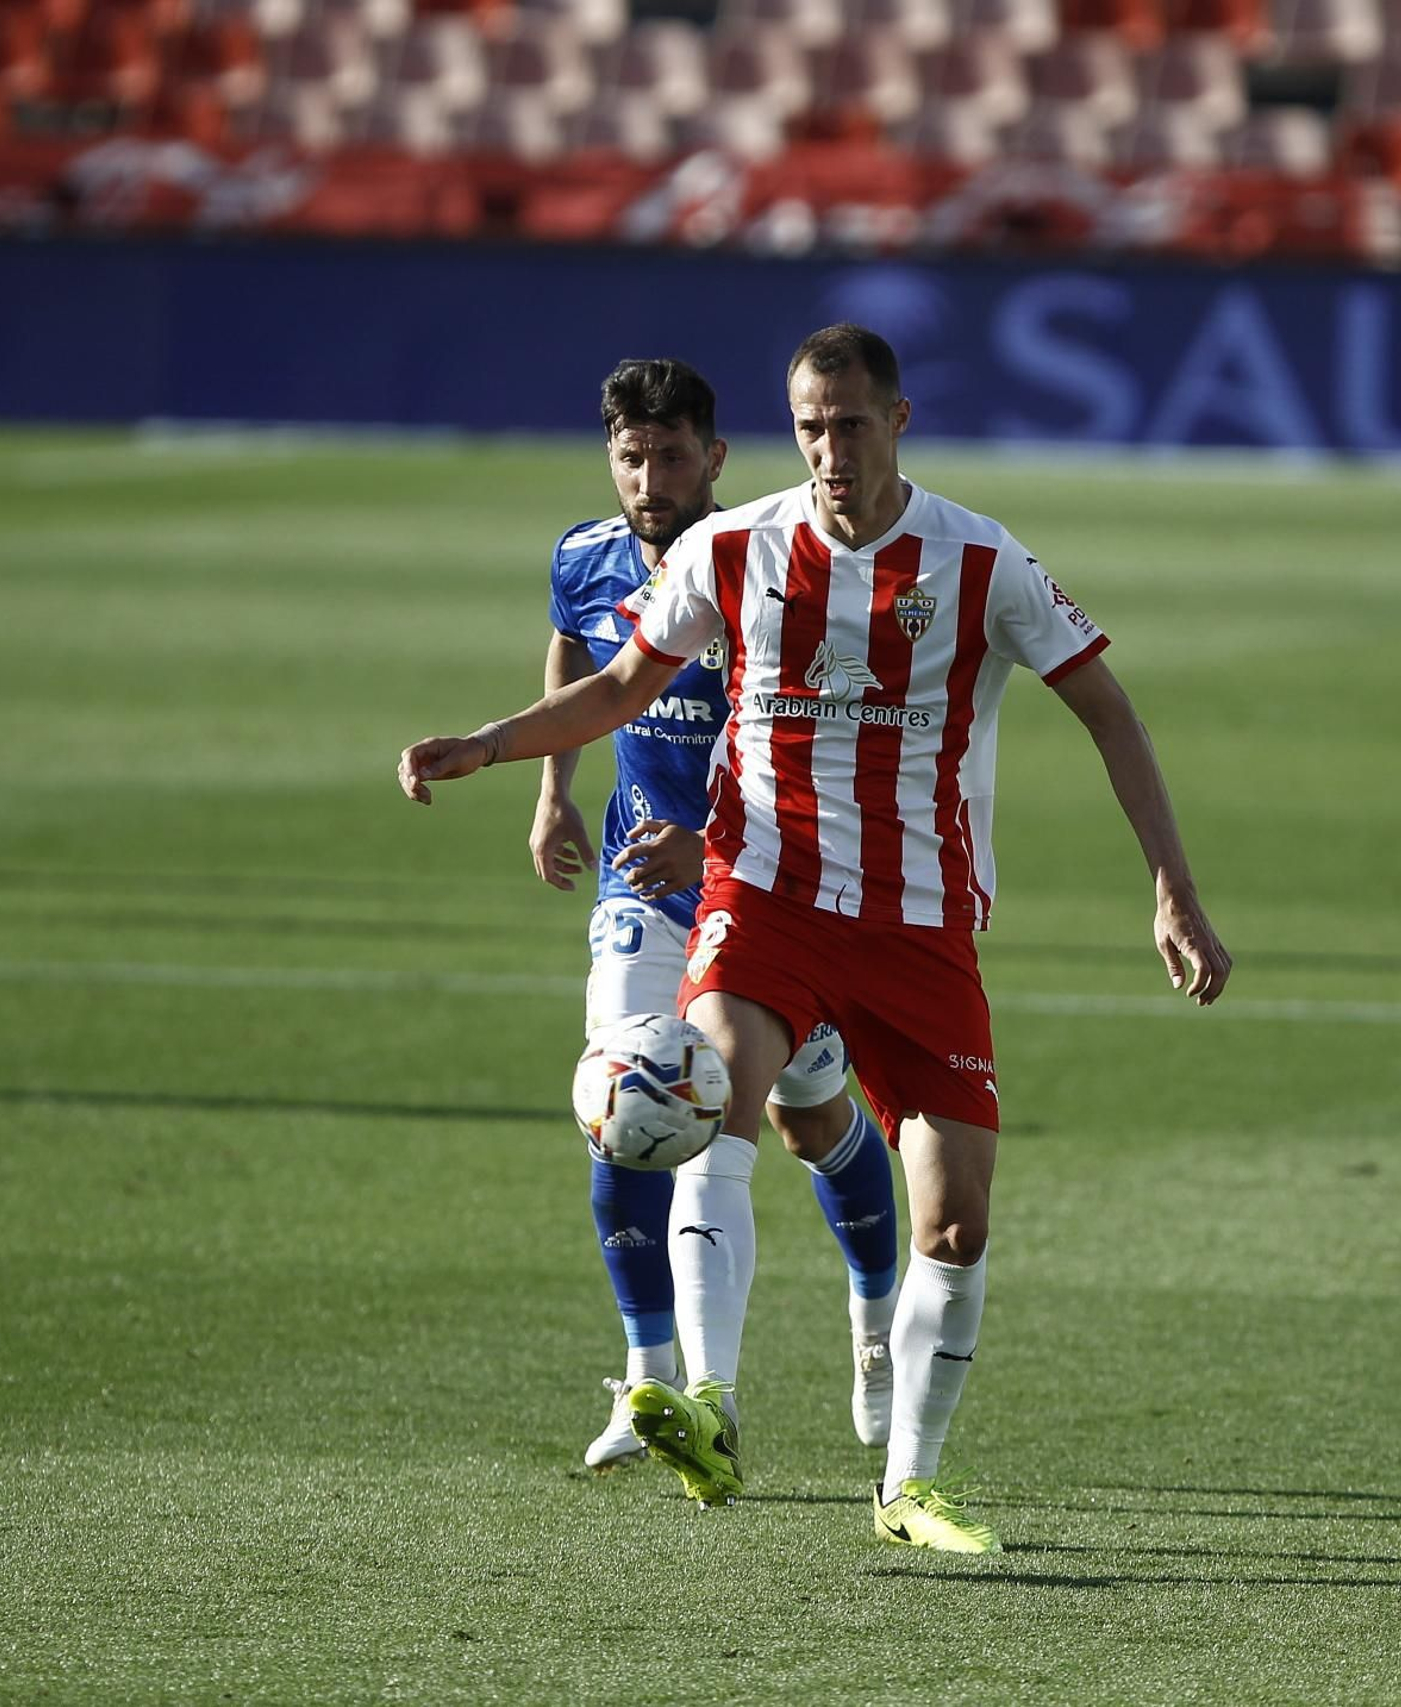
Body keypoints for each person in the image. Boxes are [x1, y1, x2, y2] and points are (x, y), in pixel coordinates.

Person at [398, 324, 1232, 1554]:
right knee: (701, 1103)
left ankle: (907, 1487)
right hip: (764, 896)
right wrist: (493, 743)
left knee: (957, 1223)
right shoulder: (733, 547)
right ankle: (712, 1404)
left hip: (918, 925)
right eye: (809, 426)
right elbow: (623, 684)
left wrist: (1172, 887)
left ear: (898, 421)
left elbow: (1106, 709)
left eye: (849, 423)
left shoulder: (981, 559)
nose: (829, 450)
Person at [531, 357, 900, 1472]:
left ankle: (880, 1321)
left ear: (717, 457)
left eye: (673, 455)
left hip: (775, 886)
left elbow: (819, 728)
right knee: (624, 1102)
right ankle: (654, 1388)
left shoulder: (761, 564)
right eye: (631, 457)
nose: (651, 478)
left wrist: (721, 836)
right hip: (643, 897)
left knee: (812, 1117)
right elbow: (578, 652)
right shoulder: (585, 556)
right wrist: (553, 789)